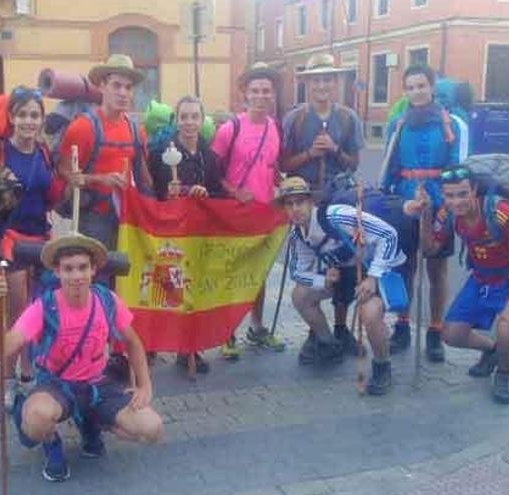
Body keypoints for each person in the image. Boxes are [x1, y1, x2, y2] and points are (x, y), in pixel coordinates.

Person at [0, 234, 163, 482]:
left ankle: (92, 421)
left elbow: (133, 342)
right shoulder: (43, 308)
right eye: (68, 269)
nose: (77, 276)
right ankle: (51, 441)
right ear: (57, 272)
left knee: (152, 429)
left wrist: (145, 385)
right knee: (35, 421)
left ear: (94, 270)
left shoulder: (107, 300)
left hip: (98, 383)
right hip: (57, 385)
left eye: (82, 267)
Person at [0, 87, 65, 407]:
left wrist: (70, 182)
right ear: (11, 117)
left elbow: (50, 198)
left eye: (34, 115)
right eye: (22, 114)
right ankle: (9, 380)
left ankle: (28, 375)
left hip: (41, 241)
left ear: (41, 119)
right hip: (8, 241)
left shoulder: (43, 152)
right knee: (15, 314)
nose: (28, 120)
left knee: (37, 312)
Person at [414, 167, 509, 404]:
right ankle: (493, 351)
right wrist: (426, 214)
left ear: (474, 190)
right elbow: (430, 249)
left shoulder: (500, 212)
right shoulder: (446, 213)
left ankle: (503, 373)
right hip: (482, 276)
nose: (456, 202)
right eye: (449, 196)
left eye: (462, 194)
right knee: (451, 334)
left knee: (508, 329)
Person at [276, 177, 408, 395]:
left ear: (311, 202)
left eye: (300, 202)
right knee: (300, 296)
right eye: (289, 204)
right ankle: (329, 344)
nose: (295, 209)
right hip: (344, 274)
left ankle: (382, 366)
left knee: (370, 313)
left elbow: (388, 235)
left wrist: (373, 277)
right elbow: (298, 272)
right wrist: (323, 281)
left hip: (374, 267)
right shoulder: (298, 234)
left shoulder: (336, 214)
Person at [382, 64, 469, 363]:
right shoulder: (397, 123)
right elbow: (388, 168)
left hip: (439, 202)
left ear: (432, 87)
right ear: (405, 91)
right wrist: (392, 202)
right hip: (406, 200)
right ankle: (402, 325)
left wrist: (442, 203)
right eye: (410, 87)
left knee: (436, 269)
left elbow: (458, 168)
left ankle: (435, 330)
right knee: (405, 267)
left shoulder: (452, 123)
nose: (416, 91)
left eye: (421, 85)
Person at [280, 53, 366, 356]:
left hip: (338, 199)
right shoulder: (295, 118)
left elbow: (354, 163)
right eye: (316, 79)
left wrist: (335, 150)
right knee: (312, 262)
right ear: (307, 83)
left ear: (336, 82)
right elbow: (284, 163)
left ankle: (341, 328)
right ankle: (315, 331)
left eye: (328, 79)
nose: (322, 85)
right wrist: (309, 155)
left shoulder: (348, 117)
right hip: (307, 200)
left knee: (342, 259)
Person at [211, 62, 285, 359]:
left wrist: (283, 184)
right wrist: (233, 191)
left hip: (264, 211)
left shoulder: (275, 127)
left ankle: (256, 329)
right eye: (255, 91)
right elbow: (211, 171)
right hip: (235, 212)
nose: (261, 96)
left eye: (266, 91)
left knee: (260, 272)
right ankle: (226, 332)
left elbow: (272, 167)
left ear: (273, 94)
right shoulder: (232, 128)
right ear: (245, 94)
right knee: (232, 271)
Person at [57, 54, 154, 278]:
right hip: (92, 218)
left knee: (125, 279)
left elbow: (144, 177)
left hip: (127, 218)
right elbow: (64, 172)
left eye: (128, 88)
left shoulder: (135, 130)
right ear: (102, 86)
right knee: (96, 277)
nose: (123, 93)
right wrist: (100, 180)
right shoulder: (82, 127)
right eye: (116, 85)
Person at [147, 95, 224, 374]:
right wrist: (165, 195)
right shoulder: (160, 155)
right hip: (169, 232)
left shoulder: (209, 156)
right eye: (184, 116)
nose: (189, 122)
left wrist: (205, 194)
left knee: (192, 289)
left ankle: (188, 349)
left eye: (195, 116)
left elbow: (218, 193)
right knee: (166, 289)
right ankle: (152, 342)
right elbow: (150, 192)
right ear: (176, 119)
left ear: (202, 120)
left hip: (197, 233)